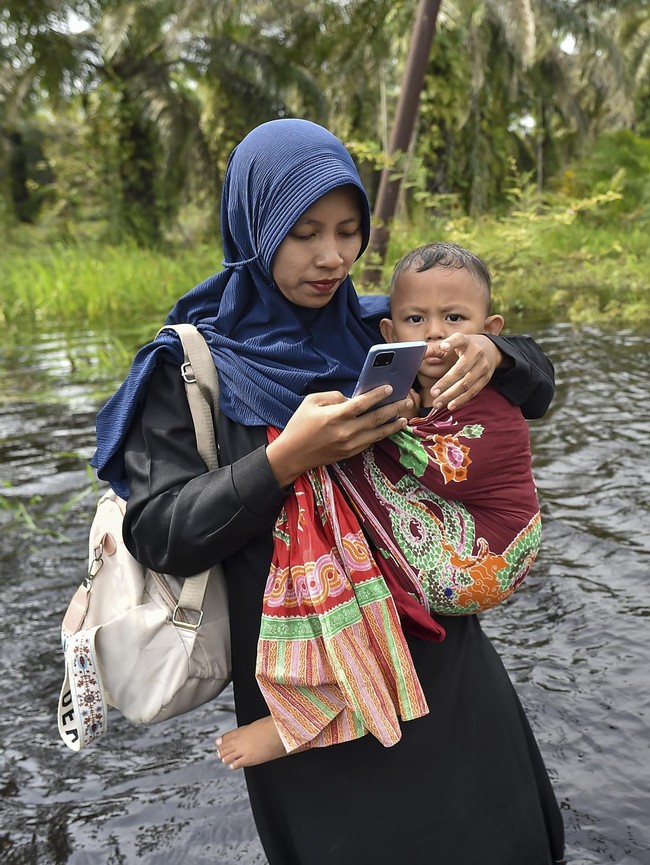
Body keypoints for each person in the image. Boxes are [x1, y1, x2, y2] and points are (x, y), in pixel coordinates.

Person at [91, 119, 565, 865]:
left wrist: (494, 351)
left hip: (442, 667)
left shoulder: (382, 329)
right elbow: (159, 530)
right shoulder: (188, 366)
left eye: (349, 231)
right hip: (310, 689)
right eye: (303, 232)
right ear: (254, 226)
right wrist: (283, 461)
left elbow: (534, 389)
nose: (332, 256)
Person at [216, 240, 542, 769]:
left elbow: (451, 466)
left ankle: (321, 706)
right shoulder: (405, 371)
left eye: (456, 318)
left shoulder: (492, 398)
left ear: (490, 333)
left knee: (332, 493)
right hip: (463, 545)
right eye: (416, 319)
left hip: (493, 555)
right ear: (388, 334)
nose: (436, 333)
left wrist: (341, 437)